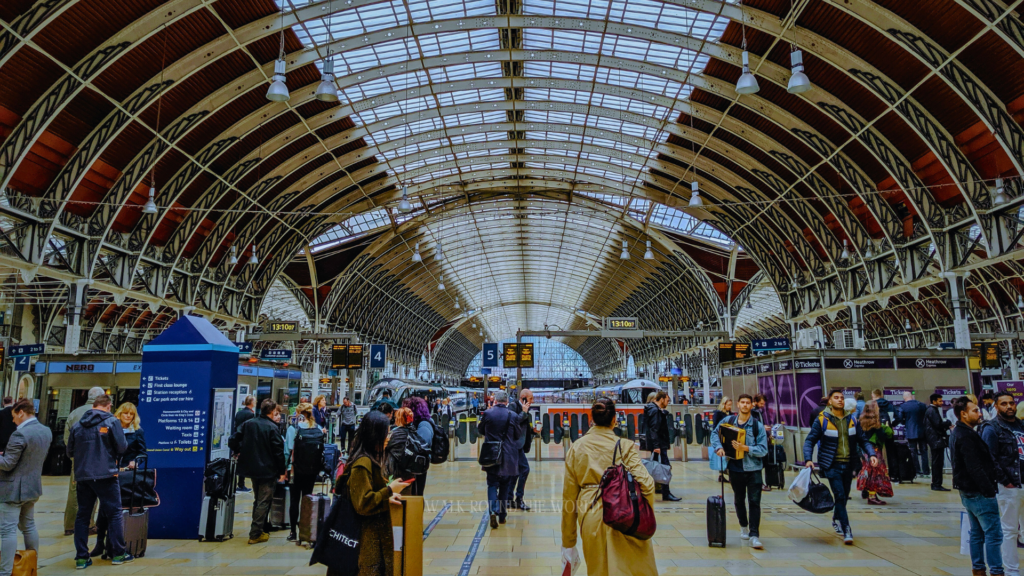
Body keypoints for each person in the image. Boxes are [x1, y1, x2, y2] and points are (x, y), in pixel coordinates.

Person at [561, 398, 657, 576]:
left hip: (591, 516)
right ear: (614, 419)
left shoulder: (576, 448)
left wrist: (569, 541)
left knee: (599, 570)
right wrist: (643, 513)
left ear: (592, 420)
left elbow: (569, 497)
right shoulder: (625, 447)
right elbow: (647, 485)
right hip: (627, 515)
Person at [329, 411, 411, 576]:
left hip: (370, 540)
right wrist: (389, 490)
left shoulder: (369, 458)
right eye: (386, 433)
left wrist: (388, 498)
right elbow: (363, 503)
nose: (389, 437)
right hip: (365, 543)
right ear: (375, 436)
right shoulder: (362, 464)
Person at [803, 389, 878, 545]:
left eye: (842, 398)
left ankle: (837, 517)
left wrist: (871, 454)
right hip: (831, 464)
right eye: (836, 398)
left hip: (849, 464)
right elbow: (810, 440)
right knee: (840, 495)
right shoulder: (822, 419)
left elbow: (863, 440)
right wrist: (808, 459)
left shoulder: (852, 419)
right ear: (830, 401)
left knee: (843, 495)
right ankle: (847, 529)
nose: (840, 400)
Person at [67, 394, 131, 568]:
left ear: (93, 406)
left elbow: (70, 451)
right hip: (106, 475)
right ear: (109, 406)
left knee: (83, 516)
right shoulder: (112, 422)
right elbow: (122, 446)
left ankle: (81, 557)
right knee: (114, 513)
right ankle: (119, 553)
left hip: (83, 476)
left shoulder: (77, 425)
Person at [951, 396, 1004, 576]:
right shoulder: (965, 435)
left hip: (969, 491)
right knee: (993, 534)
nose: (979, 412)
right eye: (975, 410)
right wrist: (989, 490)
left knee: (977, 534)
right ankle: (996, 570)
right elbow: (974, 466)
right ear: (963, 414)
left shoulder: (960, 432)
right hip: (978, 492)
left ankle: (979, 569)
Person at [710, 394, 768, 549]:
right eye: (742, 402)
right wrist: (718, 447)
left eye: (748, 403)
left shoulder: (757, 426)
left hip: (754, 468)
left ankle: (754, 534)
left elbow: (763, 450)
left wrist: (746, 448)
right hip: (735, 467)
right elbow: (714, 433)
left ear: (751, 405)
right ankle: (744, 527)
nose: (745, 405)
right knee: (739, 499)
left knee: (754, 502)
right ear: (738, 404)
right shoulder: (728, 422)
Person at [90, 402, 147, 559]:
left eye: (131, 414)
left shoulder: (137, 432)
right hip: (110, 472)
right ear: (119, 414)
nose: (128, 416)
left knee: (117, 509)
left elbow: (142, 453)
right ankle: (100, 543)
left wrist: (136, 461)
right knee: (103, 509)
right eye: (125, 413)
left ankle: (114, 545)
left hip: (127, 475)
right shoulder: (110, 429)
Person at [0, 400, 50, 576]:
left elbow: (7, 464)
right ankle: (31, 567)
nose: (13, 421)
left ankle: (5, 572)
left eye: (14, 417)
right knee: (28, 526)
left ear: (21, 412)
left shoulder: (19, 434)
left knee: (7, 531)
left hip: (13, 490)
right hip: (32, 487)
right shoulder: (45, 431)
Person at [980, 391, 1024, 576]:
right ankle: (1012, 570)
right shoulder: (992, 428)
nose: (1009, 407)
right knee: (1010, 529)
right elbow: (989, 457)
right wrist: (1005, 481)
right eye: (1004, 404)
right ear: (996, 407)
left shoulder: (1021, 425)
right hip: (1010, 485)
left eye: (1011, 403)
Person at [236, 399, 286, 545]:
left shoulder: (249, 423)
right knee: (264, 501)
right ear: (271, 412)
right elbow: (278, 452)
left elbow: (233, 439)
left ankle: (259, 529)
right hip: (268, 469)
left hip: (252, 468)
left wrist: (240, 450)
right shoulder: (272, 427)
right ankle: (255, 533)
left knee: (258, 500)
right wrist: (282, 470)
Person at [63, 386, 105, 536]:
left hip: (78, 459)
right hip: (97, 459)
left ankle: (69, 525)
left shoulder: (75, 413)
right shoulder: (103, 413)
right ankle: (89, 524)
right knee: (93, 491)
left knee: (74, 491)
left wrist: (74, 455)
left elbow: (67, 438)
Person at [478, 390, 520, 529]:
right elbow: (517, 435)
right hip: (508, 456)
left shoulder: (488, 413)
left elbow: (481, 430)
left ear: (495, 400)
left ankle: (492, 511)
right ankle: (502, 515)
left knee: (492, 484)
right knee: (504, 486)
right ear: (507, 401)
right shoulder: (513, 415)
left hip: (492, 454)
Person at [284, 402, 323, 542]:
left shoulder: (293, 428)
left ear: (299, 413)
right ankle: (306, 530)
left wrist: (284, 470)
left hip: (295, 470)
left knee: (294, 500)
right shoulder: (317, 427)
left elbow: (287, 451)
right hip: (311, 471)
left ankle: (293, 532)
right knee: (307, 499)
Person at [643, 390, 680, 501]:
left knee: (658, 467)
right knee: (665, 467)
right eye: (667, 400)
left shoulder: (653, 409)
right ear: (662, 398)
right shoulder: (654, 411)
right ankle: (666, 493)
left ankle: (662, 491)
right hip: (659, 445)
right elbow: (654, 429)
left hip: (658, 444)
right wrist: (656, 446)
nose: (668, 402)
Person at [859, 400, 892, 505]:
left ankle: (866, 490)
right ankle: (872, 496)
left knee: (867, 472)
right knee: (876, 473)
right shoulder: (875, 422)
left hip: (864, 450)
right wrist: (885, 428)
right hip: (874, 451)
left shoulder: (861, 420)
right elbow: (882, 436)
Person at [508, 389, 537, 510]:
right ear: (523, 398)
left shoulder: (526, 409)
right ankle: (518, 499)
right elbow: (512, 423)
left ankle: (509, 499)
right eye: (530, 399)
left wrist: (533, 431)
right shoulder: (513, 406)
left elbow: (524, 427)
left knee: (515, 472)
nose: (532, 401)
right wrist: (524, 412)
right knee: (524, 469)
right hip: (513, 445)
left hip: (520, 445)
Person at [402, 397, 434, 496]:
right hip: (412, 465)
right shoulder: (415, 424)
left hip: (418, 466)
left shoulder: (424, 425)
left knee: (417, 494)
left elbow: (422, 446)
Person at [897, 391, 929, 477]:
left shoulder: (903, 406)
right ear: (911, 396)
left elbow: (900, 418)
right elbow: (926, 417)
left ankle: (917, 471)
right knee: (924, 451)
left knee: (913, 452)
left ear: (904, 398)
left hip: (910, 431)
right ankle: (926, 471)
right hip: (922, 431)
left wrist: (905, 423)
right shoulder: (922, 405)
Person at [924, 393, 952, 491]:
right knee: (937, 462)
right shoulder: (932, 411)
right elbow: (938, 424)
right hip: (936, 440)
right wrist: (948, 423)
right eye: (940, 401)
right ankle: (937, 483)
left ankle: (936, 483)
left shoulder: (931, 410)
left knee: (937, 462)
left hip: (934, 439)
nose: (942, 402)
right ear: (934, 401)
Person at [233, 396, 256, 493]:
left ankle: (239, 483)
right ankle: (241, 484)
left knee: (238, 461)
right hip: (245, 441)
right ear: (251, 402)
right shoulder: (250, 414)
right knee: (243, 462)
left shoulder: (239, 413)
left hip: (238, 440)